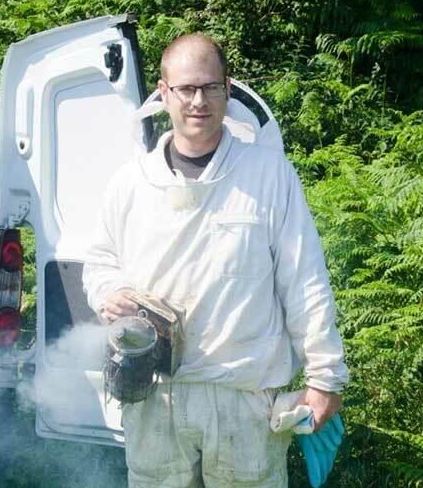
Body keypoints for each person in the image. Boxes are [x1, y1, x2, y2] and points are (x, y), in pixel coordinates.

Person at [82, 33, 348, 487]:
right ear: (164, 93)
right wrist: (110, 292)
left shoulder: (269, 175)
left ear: (228, 87)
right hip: (153, 392)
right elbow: (100, 263)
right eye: (186, 88)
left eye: (210, 87)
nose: (198, 101)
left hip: (243, 396)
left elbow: (305, 280)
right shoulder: (130, 182)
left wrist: (325, 377)